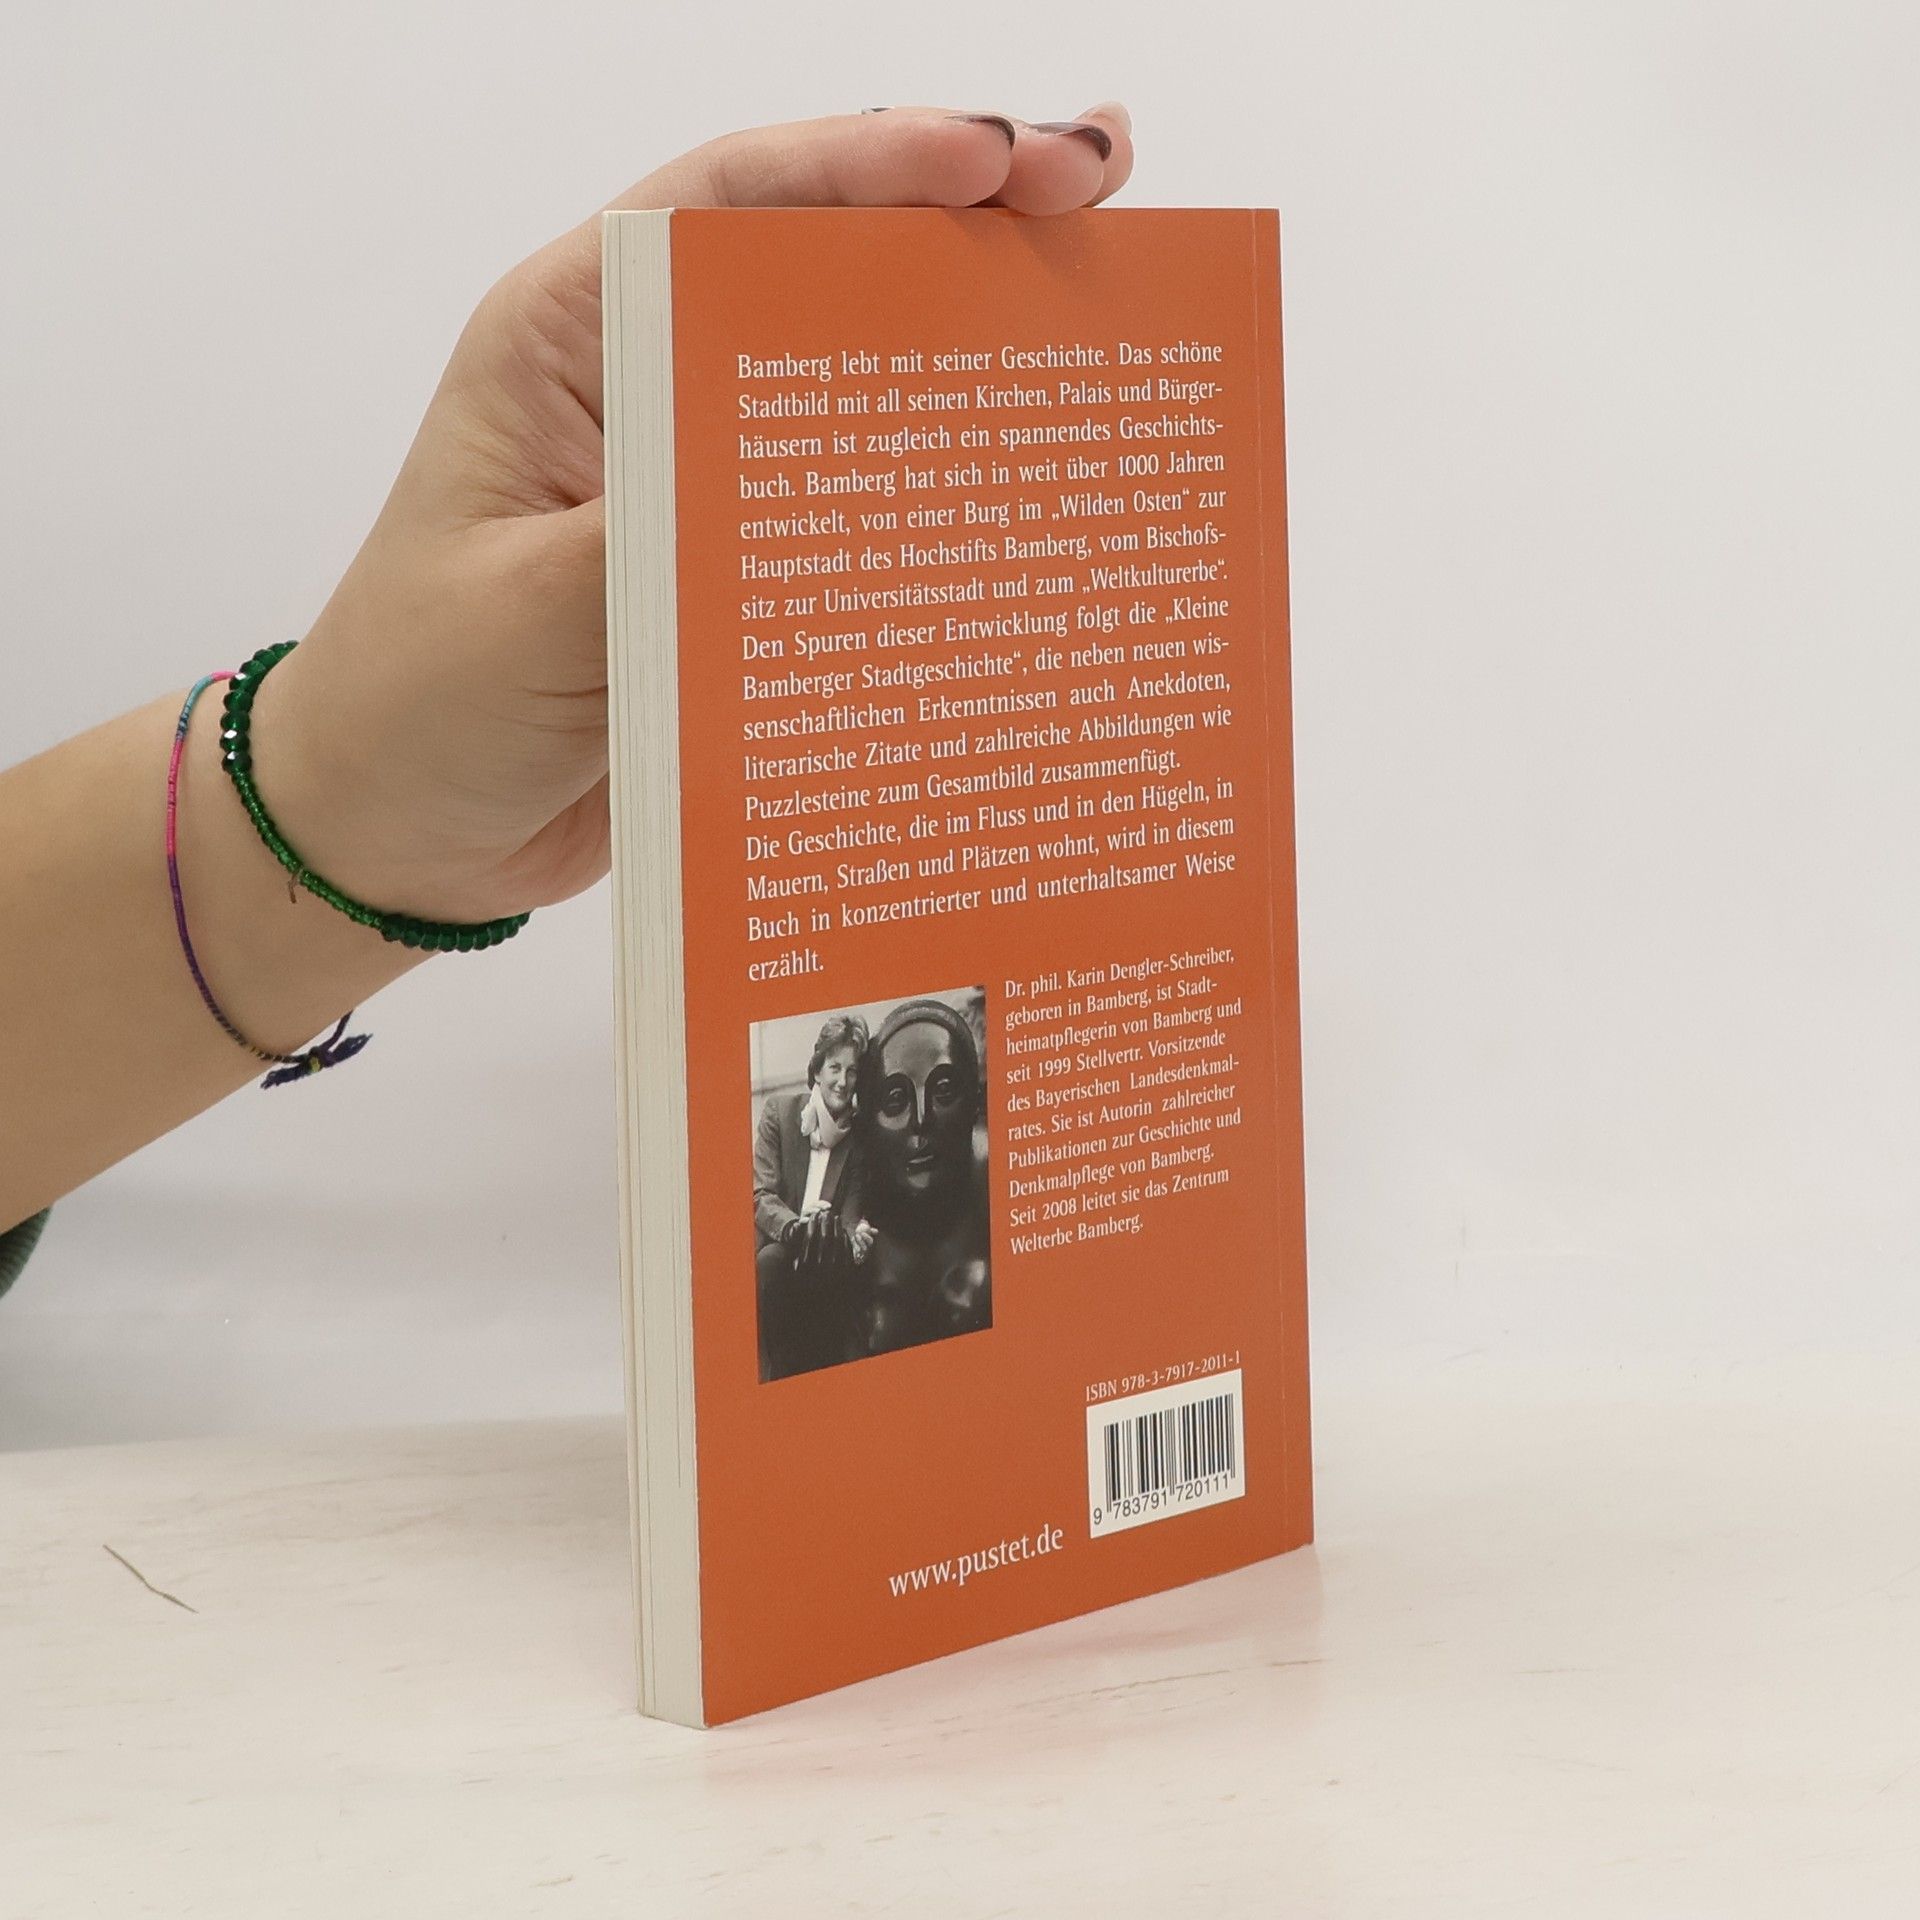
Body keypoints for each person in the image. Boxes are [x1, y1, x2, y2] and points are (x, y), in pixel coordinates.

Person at [0, 103, 1135, 1292]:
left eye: (917, 1093)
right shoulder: (794, 1144)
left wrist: (339, 792)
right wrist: (338, 778)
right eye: (877, 1089)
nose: (886, 1107)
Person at [843, 997, 992, 1363]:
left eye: (944, 1091)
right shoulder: (847, 1211)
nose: (921, 1118)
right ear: (868, 1124)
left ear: (974, 1103)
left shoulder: (997, 1191)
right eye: (896, 1100)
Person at [753, 1014, 873, 1380]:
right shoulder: (779, 1113)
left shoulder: (858, 1139)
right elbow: (761, 1195)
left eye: (852, 1071)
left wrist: (857, 1236)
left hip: (824, 1258)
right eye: (835, 1068)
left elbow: (851, 1214)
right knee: (770, 1263)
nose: (842, 1081)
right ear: (817, 1070)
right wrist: (795, 1225)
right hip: (782, 1242)